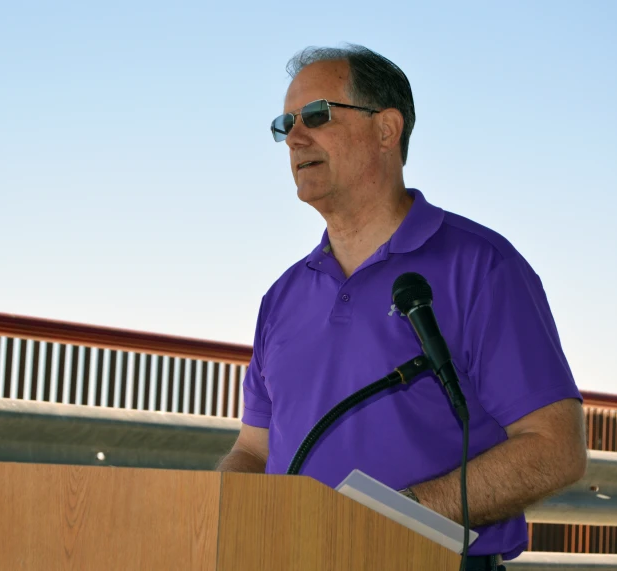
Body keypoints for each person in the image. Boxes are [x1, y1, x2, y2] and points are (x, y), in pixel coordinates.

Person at [216, 44, 587, 569]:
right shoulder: (281, 298)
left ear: (387, 129)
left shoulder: (481, 266)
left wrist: (399, 517)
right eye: (284, 125)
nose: (295, 138)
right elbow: (253, 451)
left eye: (317, 116)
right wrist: (224, 512)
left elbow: (555, 448)